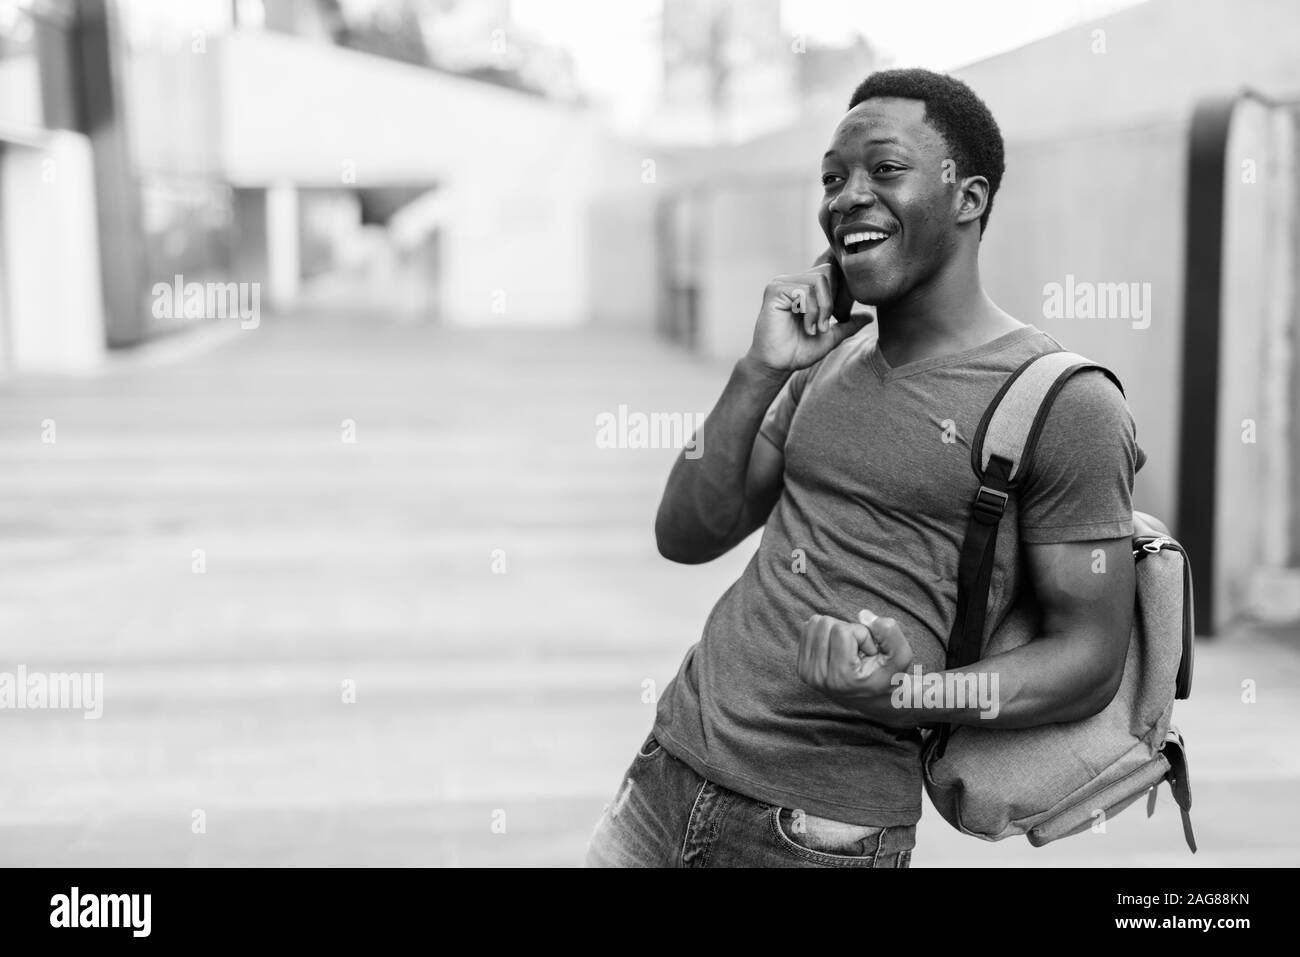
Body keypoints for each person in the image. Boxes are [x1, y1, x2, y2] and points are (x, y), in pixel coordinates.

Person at [586, 68, 1144, 868]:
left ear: (968, 196)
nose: (846, 195)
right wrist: (759, 370)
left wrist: (914, 691)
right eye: (832, 178)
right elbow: (685, 532)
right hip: (668, 769)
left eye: (884, 169)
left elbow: (1088, 660)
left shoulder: (1065, 402)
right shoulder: (830, 356)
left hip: (818, 831)